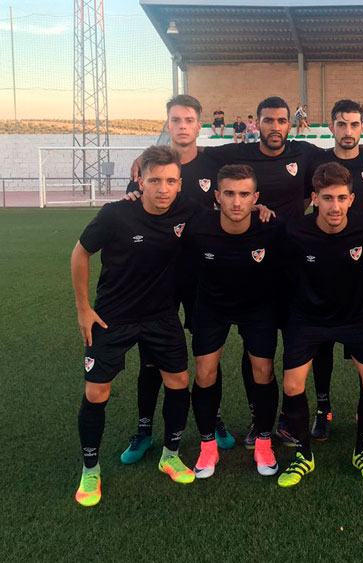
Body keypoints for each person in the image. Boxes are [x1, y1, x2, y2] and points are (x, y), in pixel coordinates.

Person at [199, 96, 363, 448]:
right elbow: (193, 154)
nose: (275, 126)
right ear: (257, 123)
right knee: (259, 347)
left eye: (282, 120)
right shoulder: (236, 154)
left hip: (300, 260)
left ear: (290, 124)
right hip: (260, 262)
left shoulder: (305, 152)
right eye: (268, 120)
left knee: (305, 339)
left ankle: (309, 412)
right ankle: (262, 419)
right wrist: (141, 163)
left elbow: (344, 151)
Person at [71, 146, 196, 507]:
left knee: (178, 383)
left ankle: (170, 454)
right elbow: (80, 253)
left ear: (179, 184)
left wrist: (263, 209)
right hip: (112, 317)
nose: (163, 188)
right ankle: (90, 469)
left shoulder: (187, 212)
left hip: (161, 316)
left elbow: (231, 213)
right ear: (139, 181)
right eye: (155, 180)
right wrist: (83, 309)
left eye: (171, 181)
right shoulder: (115, 214)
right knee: (96, 393)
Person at [122, 94, 236, 465]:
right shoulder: (146, 166)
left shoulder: (215, 161)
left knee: (207, 356)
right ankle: (143, 428)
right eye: (176, 119)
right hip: (157, 280)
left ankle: (212, 419)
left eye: (189, 119)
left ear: (199, 124)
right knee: (153, 358)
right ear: (168, 124)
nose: (183, 125)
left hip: (204, 275)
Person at [278, 161, 363, 488]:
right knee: (293, 386)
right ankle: (302, 455)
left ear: (351, 199)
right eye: (327, 198)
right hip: (307, 317)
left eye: (341, 198)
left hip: (354, 316)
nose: (334, 206)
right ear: (314, 199)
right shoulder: (295, 230)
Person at [185, 164, 284, 479]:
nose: (237, 202)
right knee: (204, 372)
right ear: (217, 196)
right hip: (212, 307)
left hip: (258, 307)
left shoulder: (272, 228)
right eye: (229, 193)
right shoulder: (198, 227)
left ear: (256, 197)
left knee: (264, 371)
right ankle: (207, 447)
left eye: (244, 194)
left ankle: (264, 443)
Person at [307, 99, 363, 442]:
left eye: (355, 125)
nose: (348, 131)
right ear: (331, 127)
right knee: (321, 341)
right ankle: (323, 409)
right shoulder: (315, 161)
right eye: (342, 124)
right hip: (325, 269)